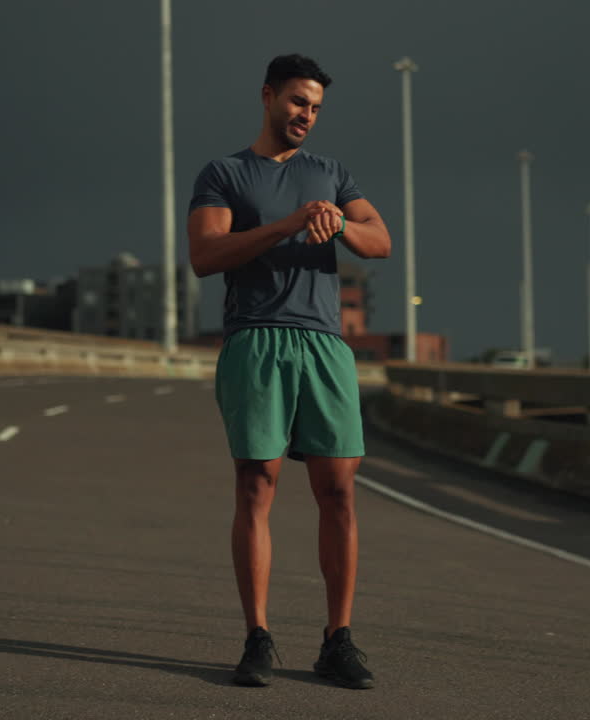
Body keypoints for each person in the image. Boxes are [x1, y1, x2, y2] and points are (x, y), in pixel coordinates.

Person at [186, 54, 391, 690]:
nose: (306, 115)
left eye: (316, 108)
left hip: (325, 346)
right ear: (269, 97)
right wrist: (289, 223)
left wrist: (338, 225)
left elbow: (380, 239)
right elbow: (205, 255)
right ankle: (257, 638)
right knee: (256, 488)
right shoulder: (224, 173)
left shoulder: (330, 173)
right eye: (298, 102)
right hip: (256, 342)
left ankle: (338, 640)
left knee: (339, 493)